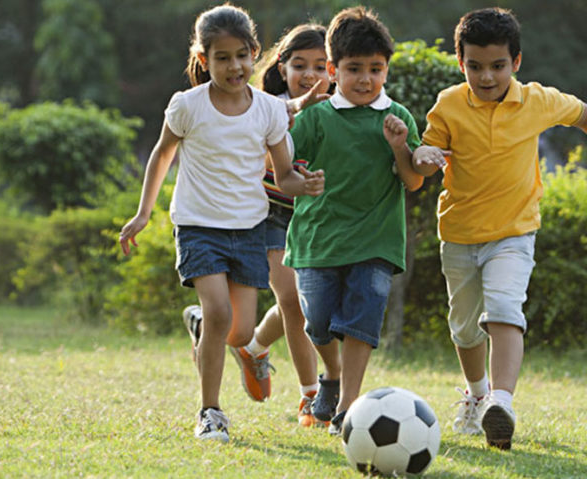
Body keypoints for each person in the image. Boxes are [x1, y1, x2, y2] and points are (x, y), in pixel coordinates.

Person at [411, 7, 587, 450]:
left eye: (498, 66)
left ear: (516, 63)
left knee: (504, 308)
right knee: (463, 328)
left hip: (514, 233)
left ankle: (501, 403)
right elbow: (430, 149)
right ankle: (477, 393)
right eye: (475, 67)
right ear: (460, 62)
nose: (486, 77)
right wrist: (423, 157)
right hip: (460, 233)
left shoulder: (537, 100)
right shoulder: (448, 104)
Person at [118, 3, 324, 442]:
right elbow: (162, 154)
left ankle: (200, 327)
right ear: (203, 59)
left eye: (242, 56)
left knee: (240, 331)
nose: (235, 67)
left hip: (248, 228)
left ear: (254, 53)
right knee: (218, 312)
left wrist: (302, 185)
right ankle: (210, 412)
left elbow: (283, 173)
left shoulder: (269, 110)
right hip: (198, 226)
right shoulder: (188, 106)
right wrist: (143, 212)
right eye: (222, 58)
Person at [182, 23, 336, 428]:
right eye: (300, 64)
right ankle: (310, 396)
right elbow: (277, 125)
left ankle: (251, 345)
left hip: (315, 214)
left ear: (335, 67)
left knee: (302, 304)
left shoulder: (347, 104)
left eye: (321, 65)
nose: (311, 73)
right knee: (291, 297)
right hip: (268, 212)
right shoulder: (267, 103)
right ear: (281, 65)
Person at [285, 6, 424, 435]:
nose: (366, 80)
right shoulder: (316, 117)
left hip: (376, 242)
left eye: (376, 69)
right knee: (319, 322)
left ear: (387, 69)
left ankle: (347, 408)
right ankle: (332, 373)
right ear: (332, 70)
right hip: (317, 241)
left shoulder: (396, 117)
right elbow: (280, 157)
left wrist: (402, 147)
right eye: (354, 69)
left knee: (362, 321)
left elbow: (413, 181)